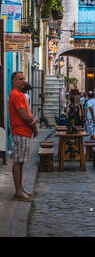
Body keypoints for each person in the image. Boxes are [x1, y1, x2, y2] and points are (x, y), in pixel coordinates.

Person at [9, 72, 38, 202]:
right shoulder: (16, 95)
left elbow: (27, 113)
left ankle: (20, 188)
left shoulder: (20, 95)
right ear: (13, 81)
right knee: (18, 162)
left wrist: (33, 125)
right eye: (20, 79)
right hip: (20, 131)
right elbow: (24, 116)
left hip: (23, 132)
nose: (23, 81)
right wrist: (33, 125)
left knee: (20, 162)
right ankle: (18, 191)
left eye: (23, 79)